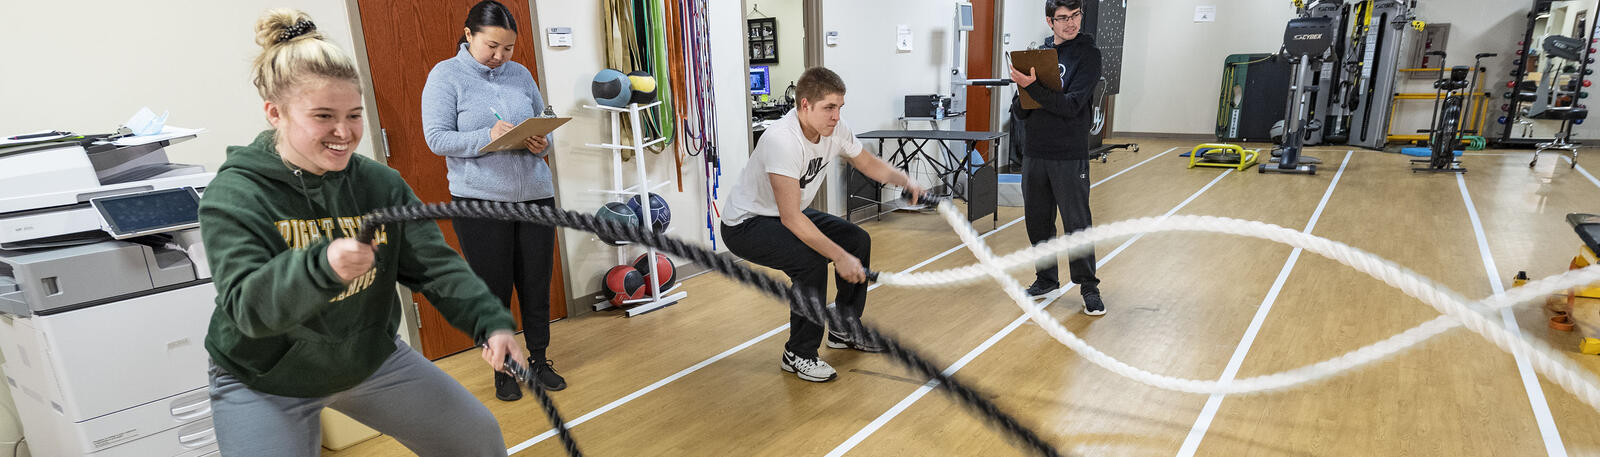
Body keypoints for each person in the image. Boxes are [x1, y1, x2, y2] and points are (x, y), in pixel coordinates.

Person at [198, 9, 521, 456]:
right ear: (275, 113)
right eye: (323, 116)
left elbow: (436, 266)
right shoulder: (236, 193)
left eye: (353, 115)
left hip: (365, 357)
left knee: (477, 439)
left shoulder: (378, 184)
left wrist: (490, 323)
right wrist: (320, 266)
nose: (344, 133)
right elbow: (249, 309)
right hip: (265, 376)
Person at [721, 67, 925, 382]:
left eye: (839, 107)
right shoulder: (782, 140)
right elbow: (791, 218)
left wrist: (905, 181)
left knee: (856, 239)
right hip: (747, 223)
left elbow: (866, 162)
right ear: (804, 105)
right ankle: (799, 353)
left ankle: (843, 328)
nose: (836, 116)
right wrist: (839, 257)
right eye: (829, 108)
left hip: (783, 213)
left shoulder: (836, 130)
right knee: (810, 263)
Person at [421, 0, 565, 401]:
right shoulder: (445, 76)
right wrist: (487, 136)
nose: (501, 57)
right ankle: (502, 368)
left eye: (508, 48)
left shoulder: (520, 74)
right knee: (493, 290)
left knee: (536, 284)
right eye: (492, 47)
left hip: (536, 197)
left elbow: (545, 124)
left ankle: (539, 359)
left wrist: (541, 141)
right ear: (469, 36)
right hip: (480, 204)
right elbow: (437, 139)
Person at [1009, 0, 1107, 316]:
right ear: (1050, 21)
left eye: (1076, 15)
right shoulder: (1038, 55)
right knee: (1038, 222)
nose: (1071, 23)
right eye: (1063, 17)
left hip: (1069, 154)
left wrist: (1032, 88)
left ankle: (1089, 287)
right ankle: (1046, 279)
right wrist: (1024, 92)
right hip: (1036, 152)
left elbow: (1073, 105)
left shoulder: (1089, 55)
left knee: (1077, 224)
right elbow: (1019, 108)